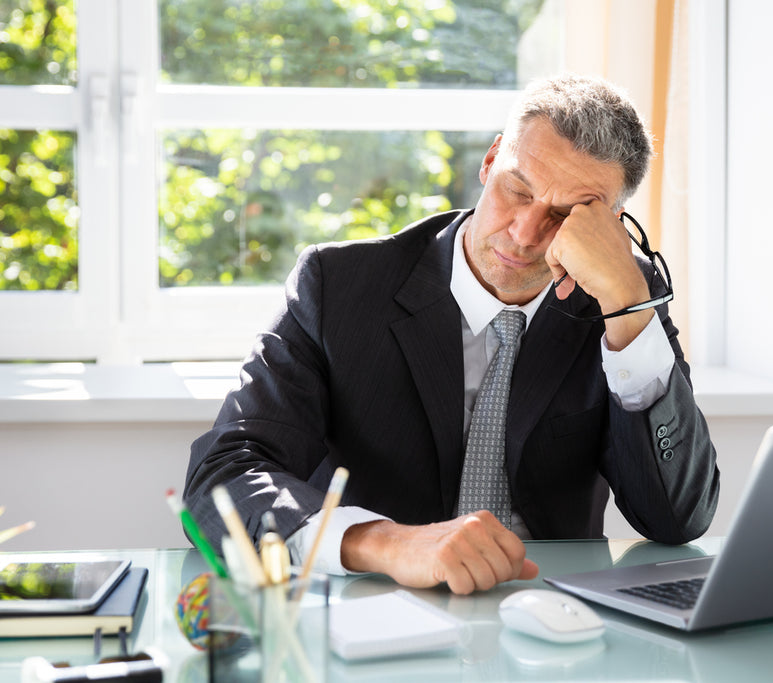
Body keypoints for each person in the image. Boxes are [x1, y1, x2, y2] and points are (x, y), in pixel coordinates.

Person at [184, 73, 719, 595]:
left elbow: (677, 519)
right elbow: (223, 481)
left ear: (609, 222)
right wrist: (387, 543)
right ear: (490, 162)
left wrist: (629, 308)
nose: (525, 234)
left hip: (550, 617)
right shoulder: (338, 287)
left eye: (564, 215)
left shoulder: (624, 296)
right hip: (373, 605)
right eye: (517, 189)